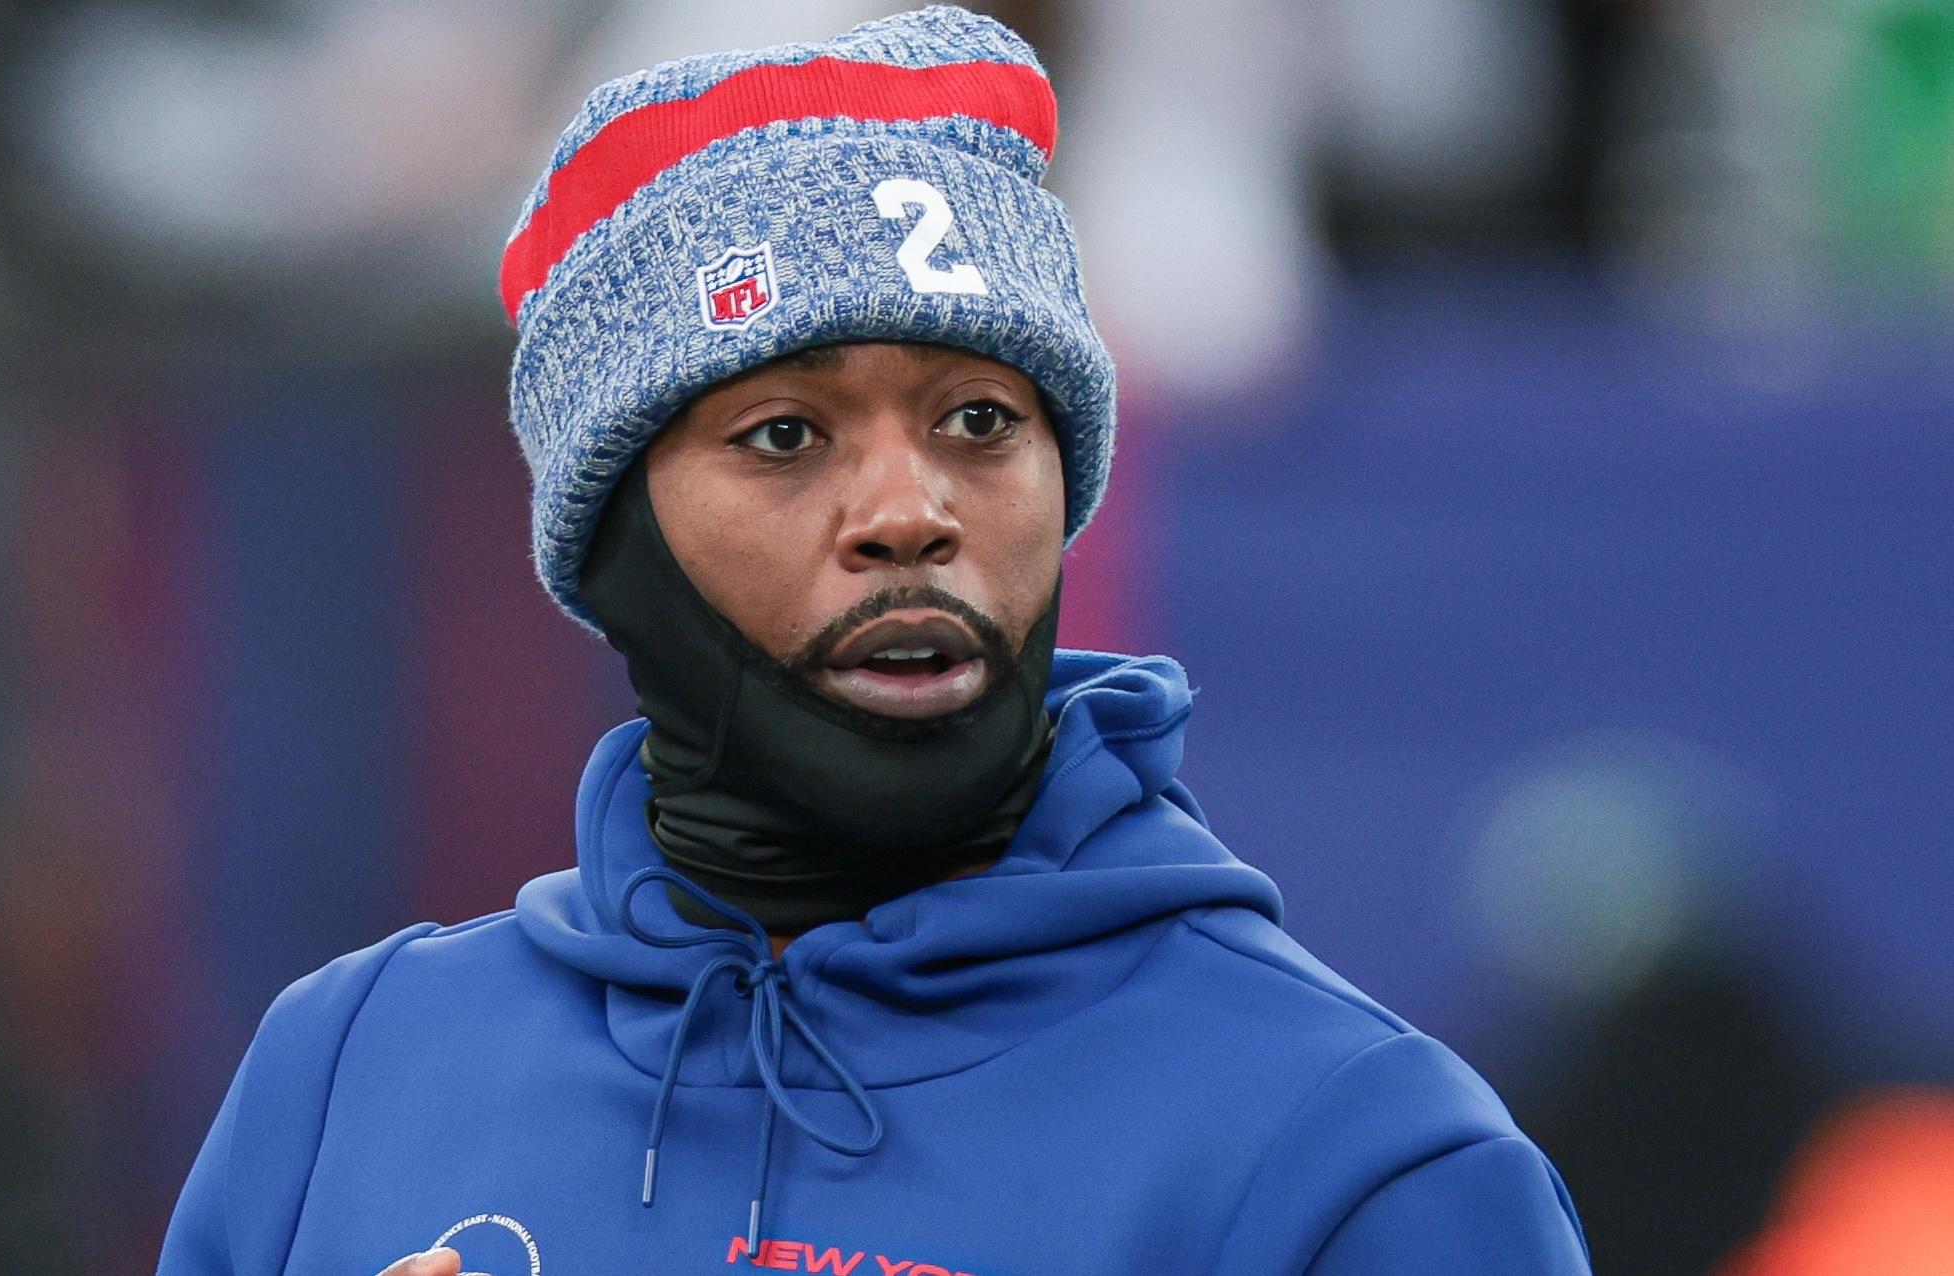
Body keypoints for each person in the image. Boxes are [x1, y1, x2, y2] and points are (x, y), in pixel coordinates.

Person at [156, 8, 1593, 1274]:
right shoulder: (350, 1071)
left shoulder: (1355, 1154)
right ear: (610, 543)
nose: (908, 512)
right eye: (782, 435)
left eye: (979, 422)